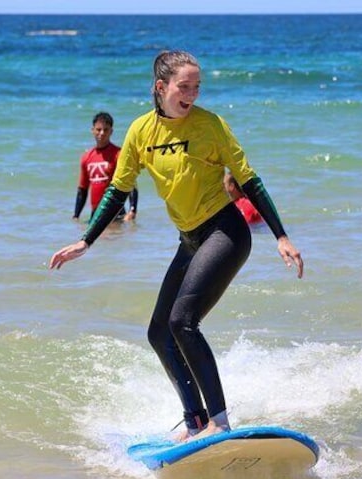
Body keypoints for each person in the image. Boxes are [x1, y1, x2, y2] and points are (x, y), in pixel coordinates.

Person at [50, 50, 303, 442]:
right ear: (160, 87)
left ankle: (219, 421)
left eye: (197, 87)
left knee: (182, 322)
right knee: (158, 333)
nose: (192, 95)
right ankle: (196, 420)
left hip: (226, 232)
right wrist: (87, 240)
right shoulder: (140, 132)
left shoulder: (211, 126)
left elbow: (249, 179)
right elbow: (118, 189)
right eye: (184, 87)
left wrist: (281, 236)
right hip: (189, 240)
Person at [73, 112, 138, 222]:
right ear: (92, 130)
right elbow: (82, 190)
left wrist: (132, 210)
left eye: (106, 130)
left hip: (116, 213)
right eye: (98, 129)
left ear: (111, 131)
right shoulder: (86, 157)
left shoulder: (119, 154)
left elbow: (131, 184)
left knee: (113, 238)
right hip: (95, 214)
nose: (102, 133)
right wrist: (76, 215)